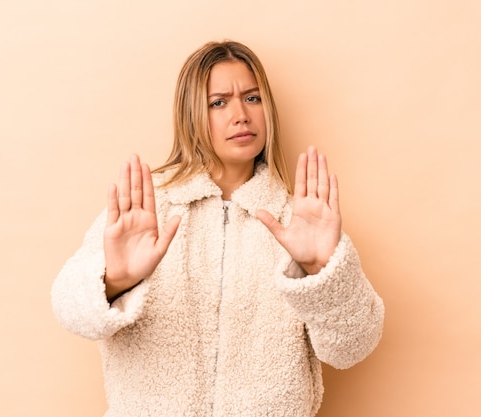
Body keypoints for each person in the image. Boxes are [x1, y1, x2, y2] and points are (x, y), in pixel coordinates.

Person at [51, 40, 384, 417]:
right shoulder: (148, 209)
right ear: (192, 114)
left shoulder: (299, 221)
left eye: (253, 98)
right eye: (219, 102)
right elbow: (68, 306)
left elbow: (353, 346)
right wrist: (114, 280)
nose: (241, 115)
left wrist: (321, 271)